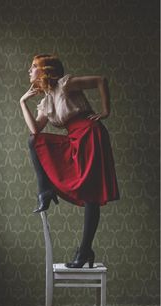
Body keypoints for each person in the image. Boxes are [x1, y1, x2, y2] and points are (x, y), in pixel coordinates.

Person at [19, 54, 119, 268]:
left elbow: (101, 80)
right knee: (34, 141)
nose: (29, 70)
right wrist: (22, 102)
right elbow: (35, 130)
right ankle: (45, 189)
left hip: (90, 134)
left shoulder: (66, 84)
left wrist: (105, 111)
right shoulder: (46, 101)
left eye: (33, 66)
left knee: (92, 194)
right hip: (74, 138)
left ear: (45, 69)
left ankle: (84, 251)